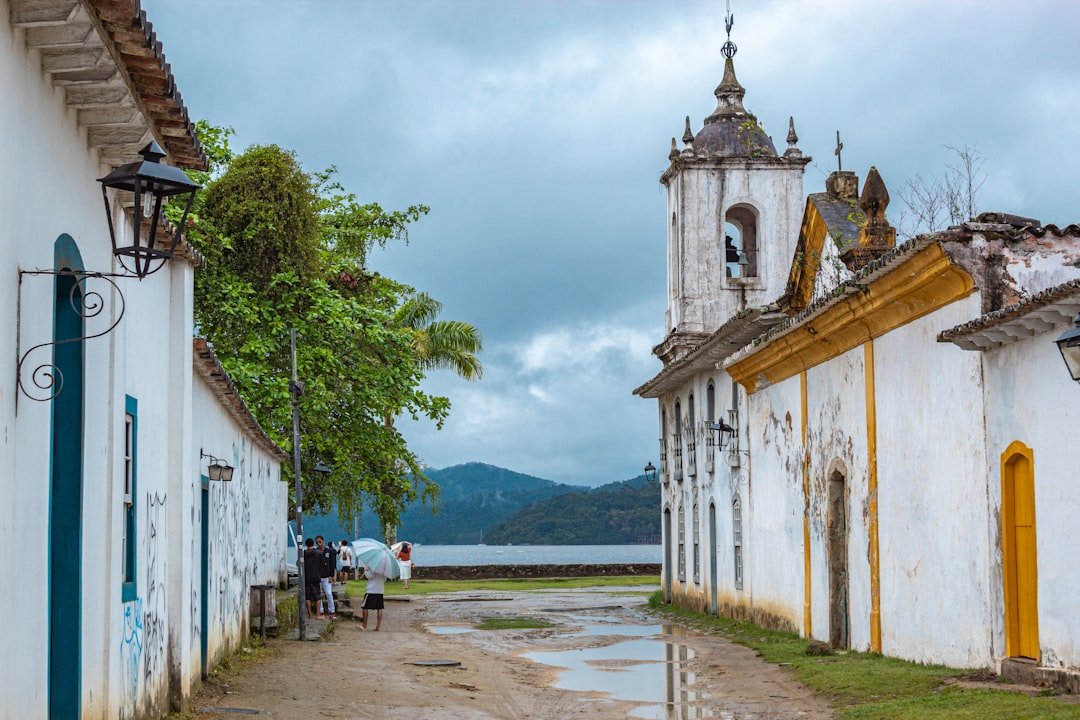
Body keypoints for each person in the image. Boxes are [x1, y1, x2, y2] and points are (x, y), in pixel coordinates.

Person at [315, 535, 336, 619]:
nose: (318, 543)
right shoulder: (315, 552)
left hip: (327, 577)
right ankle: (321, 611)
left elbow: (332, 564)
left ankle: (332, 611)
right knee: (319, 595)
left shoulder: (329, 551)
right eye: (317, 542)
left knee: (328, 593)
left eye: (320, 541)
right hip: (318, 577)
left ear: (323, 541)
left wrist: (331, 575)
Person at [361, 565, 386, 631]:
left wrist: (366, 570)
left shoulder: (372, 566)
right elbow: (385, 579)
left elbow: (369, 576)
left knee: (364, 607)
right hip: (380, 590)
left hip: (371, 590)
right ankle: (378, 626)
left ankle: (364, 625)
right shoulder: (384, 567)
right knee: (379, 608)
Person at [302, 538, 322, 620]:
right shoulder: (319, 553)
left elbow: (298, 563)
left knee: (308, 597)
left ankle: (310, 614)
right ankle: (318, 615)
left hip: (306, 577)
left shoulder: (303, 554)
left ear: (306, 545)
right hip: (316, 577)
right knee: (318, 597)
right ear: (313, 544)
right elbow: (321, 564)